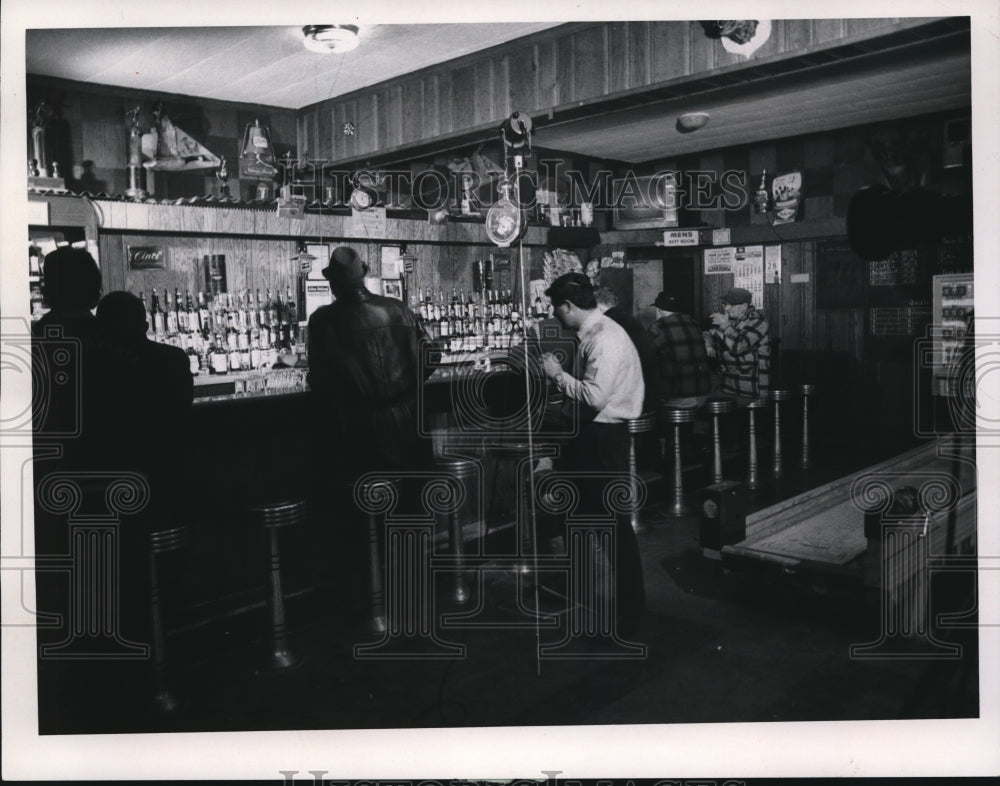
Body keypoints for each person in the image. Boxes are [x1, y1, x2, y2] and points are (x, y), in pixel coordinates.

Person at [540, 272, 646, 637]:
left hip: (601, 438)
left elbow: (595, 397)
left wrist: (556, 374)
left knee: (610, 525)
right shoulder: (602, 331)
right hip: (598, 436)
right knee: (585, 519)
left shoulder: (603, 338)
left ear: (569, 306)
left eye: (556, 308)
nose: (555, 315)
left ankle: (630, 609)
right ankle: (590, 594)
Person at [307, 246, 435, 475]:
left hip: (358, 438)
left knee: (364, 505)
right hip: (410, 429)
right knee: (411, 505)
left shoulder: (322, 321)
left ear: (333, 284)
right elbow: (432, 356)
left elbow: (319, 381)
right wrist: (408, 389)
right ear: (362, 276)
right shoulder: (398, 308)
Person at [594, 286, 659, 411]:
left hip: (628, 398)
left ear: (599, 307)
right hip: (648, 392)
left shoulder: (607, 322)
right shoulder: (631, 320)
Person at [647, 291, 712, 409]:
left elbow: (646, 356)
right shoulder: (693, 323)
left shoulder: (659, 327)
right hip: (702, 394)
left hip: (677, 395)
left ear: (659, 310)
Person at [704, 287, 771, 400]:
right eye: (725, 304)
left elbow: (738, 347)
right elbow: (708, 333)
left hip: (749, 389)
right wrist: (708, 345)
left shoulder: (758, 321)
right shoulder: (733, 321)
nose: (726, 308)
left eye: (731, 305)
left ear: (744, 306)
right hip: (729, 383)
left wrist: (725, 326)